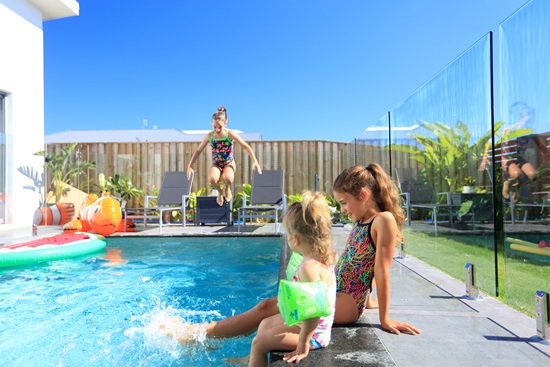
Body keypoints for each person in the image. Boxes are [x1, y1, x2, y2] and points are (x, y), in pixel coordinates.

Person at [160, 164, 420, 345]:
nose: (343, 210)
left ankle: (198, 334)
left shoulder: (382, 220)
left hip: (347, 302)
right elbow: (364, 264)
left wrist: (384, 317)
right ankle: (204, 335)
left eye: (344, 203)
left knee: (269, 309)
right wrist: (370, 298)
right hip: (342, 293)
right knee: (267, 308)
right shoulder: (364, 220)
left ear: (363, 195)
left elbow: (382, 268)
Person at [248, 191, 338, 366]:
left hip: (314, 335)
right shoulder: (321, 257)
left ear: (295, 239)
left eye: (287, 235)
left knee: (258, 342)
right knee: (264, 324)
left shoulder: (308, 268)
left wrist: (303, 343)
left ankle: (255, 353)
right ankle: (252, 359)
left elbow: (315, 311)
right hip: (305, 325)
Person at [186, 106, 262, 206]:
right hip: (216, 163)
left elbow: (245, 146)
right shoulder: (210, 136)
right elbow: (198, 150)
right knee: (212, 179)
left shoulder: (230, 134)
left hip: (228, 162)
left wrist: (255, 161)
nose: (217, 129)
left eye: (220, 127)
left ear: (225, 123)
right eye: (215, 127)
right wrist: (189, 165)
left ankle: (228, 189)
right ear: (211, 124)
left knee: (228, 178)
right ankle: (220, 192)